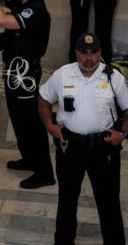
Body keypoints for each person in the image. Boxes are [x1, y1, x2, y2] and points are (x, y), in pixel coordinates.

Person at [39, 32, 128, 245]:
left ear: (100, 53)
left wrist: (122, 134)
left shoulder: (113, 77)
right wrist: (50, 126)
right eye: (84, 53)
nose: (89, 58)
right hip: (71, 148)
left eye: (94, 52)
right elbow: (43, 98)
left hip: (103, 149)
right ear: (76, 53)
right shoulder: (63, 74)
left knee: (109, 204)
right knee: (67, 201)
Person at [0, 0, 54, 188]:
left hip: (24, 75)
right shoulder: (24, 0)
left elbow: (0, 20)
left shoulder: (34, 11)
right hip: (14, 70)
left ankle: (44, 172)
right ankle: (30, 159)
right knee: (17, 117)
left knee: (31, 121)